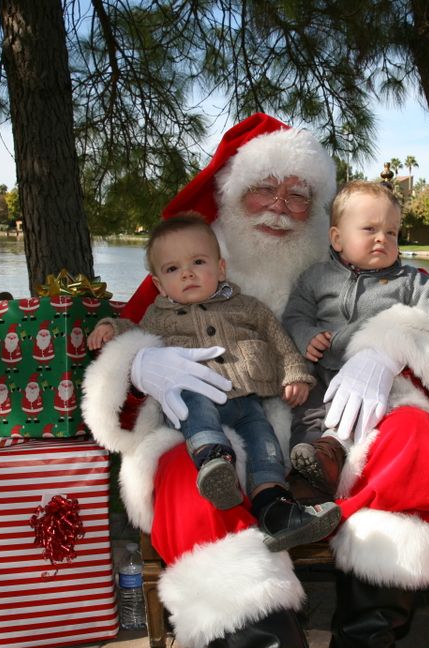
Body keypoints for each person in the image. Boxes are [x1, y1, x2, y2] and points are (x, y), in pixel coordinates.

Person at [82, 113, 429, 648]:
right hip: (222, 430)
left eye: (298, 195)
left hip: (339, 430)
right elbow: (123, 338)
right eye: (264, 188)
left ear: (325, 216)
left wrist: (386, 347)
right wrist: (140, 361)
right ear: (232, 195)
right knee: (183, 473)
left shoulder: (365, 270)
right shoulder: (190, 263)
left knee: (414, 438)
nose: (279, 207)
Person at [86, 215, 339, 552]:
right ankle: (213, 459)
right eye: (173, 269)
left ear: (220, 269)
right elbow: (133, 331)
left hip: (247, 403)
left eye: (198, 262)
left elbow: (280, 342)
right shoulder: (158, 315)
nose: (187, 273)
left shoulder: (249, 308)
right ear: (159, 285)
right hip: (197, 398)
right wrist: (110, 328)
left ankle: (275, 507)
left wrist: (295, 373)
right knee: (193, 400)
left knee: (265, 448)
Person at [283, 180, 429, 498]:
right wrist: (307, 336)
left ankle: (332, 455)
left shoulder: (408, 281)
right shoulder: (317, 278)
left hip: (381, 382)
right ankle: (308, 475)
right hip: (323, 372)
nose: (381, 239)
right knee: (307, 415)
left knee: (372, 416)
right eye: (369, 229)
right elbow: (294, 316)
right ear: (337, 238)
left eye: (391, 233)